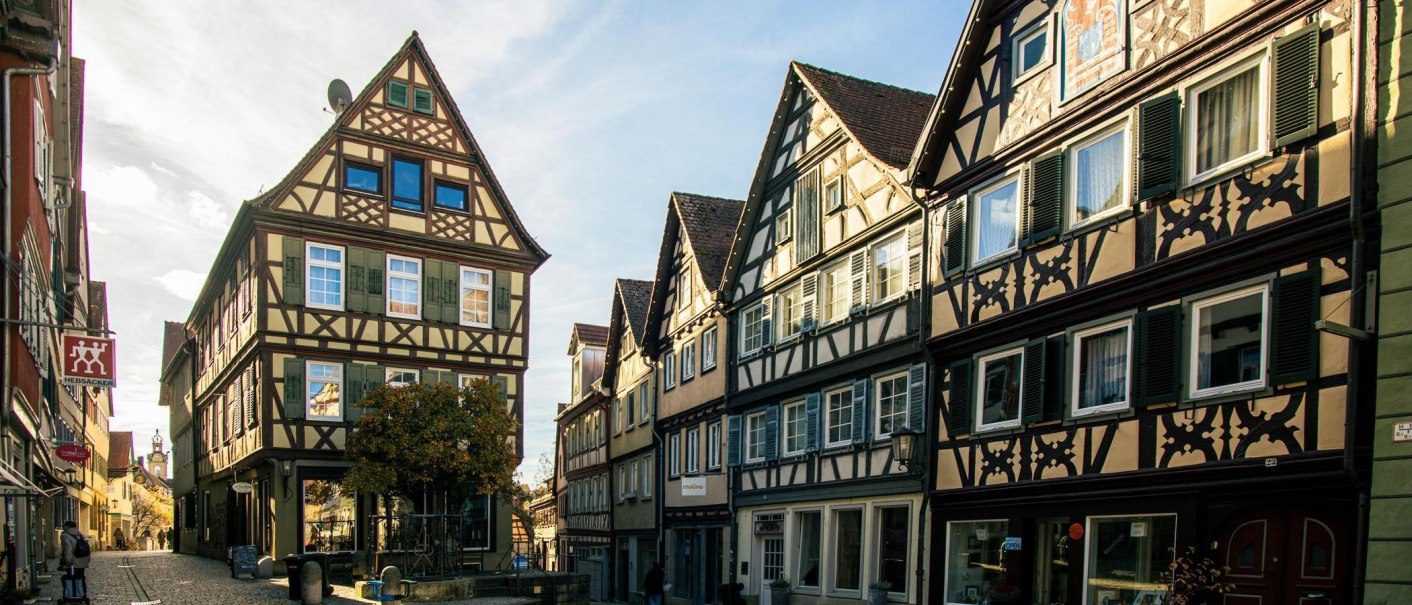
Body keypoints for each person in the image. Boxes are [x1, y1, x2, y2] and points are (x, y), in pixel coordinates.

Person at [59, 520, 89, 598]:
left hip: (73, 561)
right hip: (83, 560)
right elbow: (86, 548)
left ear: (68, 526)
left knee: (70, 577)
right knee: (80, 576)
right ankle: (81, 594)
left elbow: (68, 549)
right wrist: (87, 560)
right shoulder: (80, 534)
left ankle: (71, 594)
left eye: (64, 525)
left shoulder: (65, 535)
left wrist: (68, 561)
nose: (62, 527)